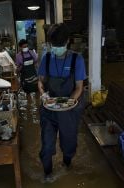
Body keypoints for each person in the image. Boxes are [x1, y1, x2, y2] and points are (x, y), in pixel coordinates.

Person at [37, 23, 86, 182]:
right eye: (54, 46)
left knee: (69, 142)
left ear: (67, 42)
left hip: (69, 110)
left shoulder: (76, 60)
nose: (56, 49)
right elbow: (41, 81)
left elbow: (79, 87)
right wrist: (43, 94)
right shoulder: (47, 57)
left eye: (60, 45)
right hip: (49, 108)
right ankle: (47, 175)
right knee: (47, 145)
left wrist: (70, 101)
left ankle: (67, 167)